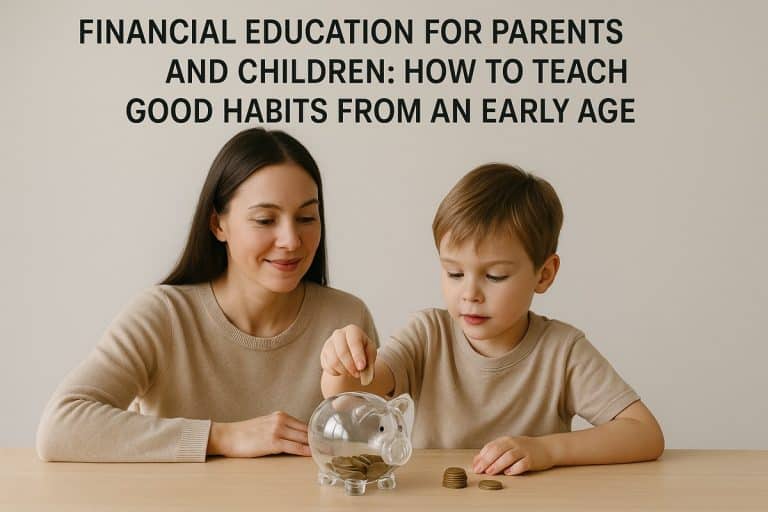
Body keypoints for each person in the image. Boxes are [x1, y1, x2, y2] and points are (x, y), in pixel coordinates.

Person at [36, 128, 378, 462]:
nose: (291, 240)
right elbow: (60, 427)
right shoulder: (163, 314)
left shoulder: (345, 317)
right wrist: (222, 436)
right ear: (218, 224)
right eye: (264, 220)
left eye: (306, 217)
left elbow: (377, 448)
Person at [320, 163, 664, 475]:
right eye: (454, 273)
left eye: (495, 276)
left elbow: (645, 433)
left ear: (544, 275)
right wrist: (341, 365)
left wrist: (547, 449)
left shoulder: (562, 351)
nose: (470, 293)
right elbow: (351, 398)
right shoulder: (427, 334)